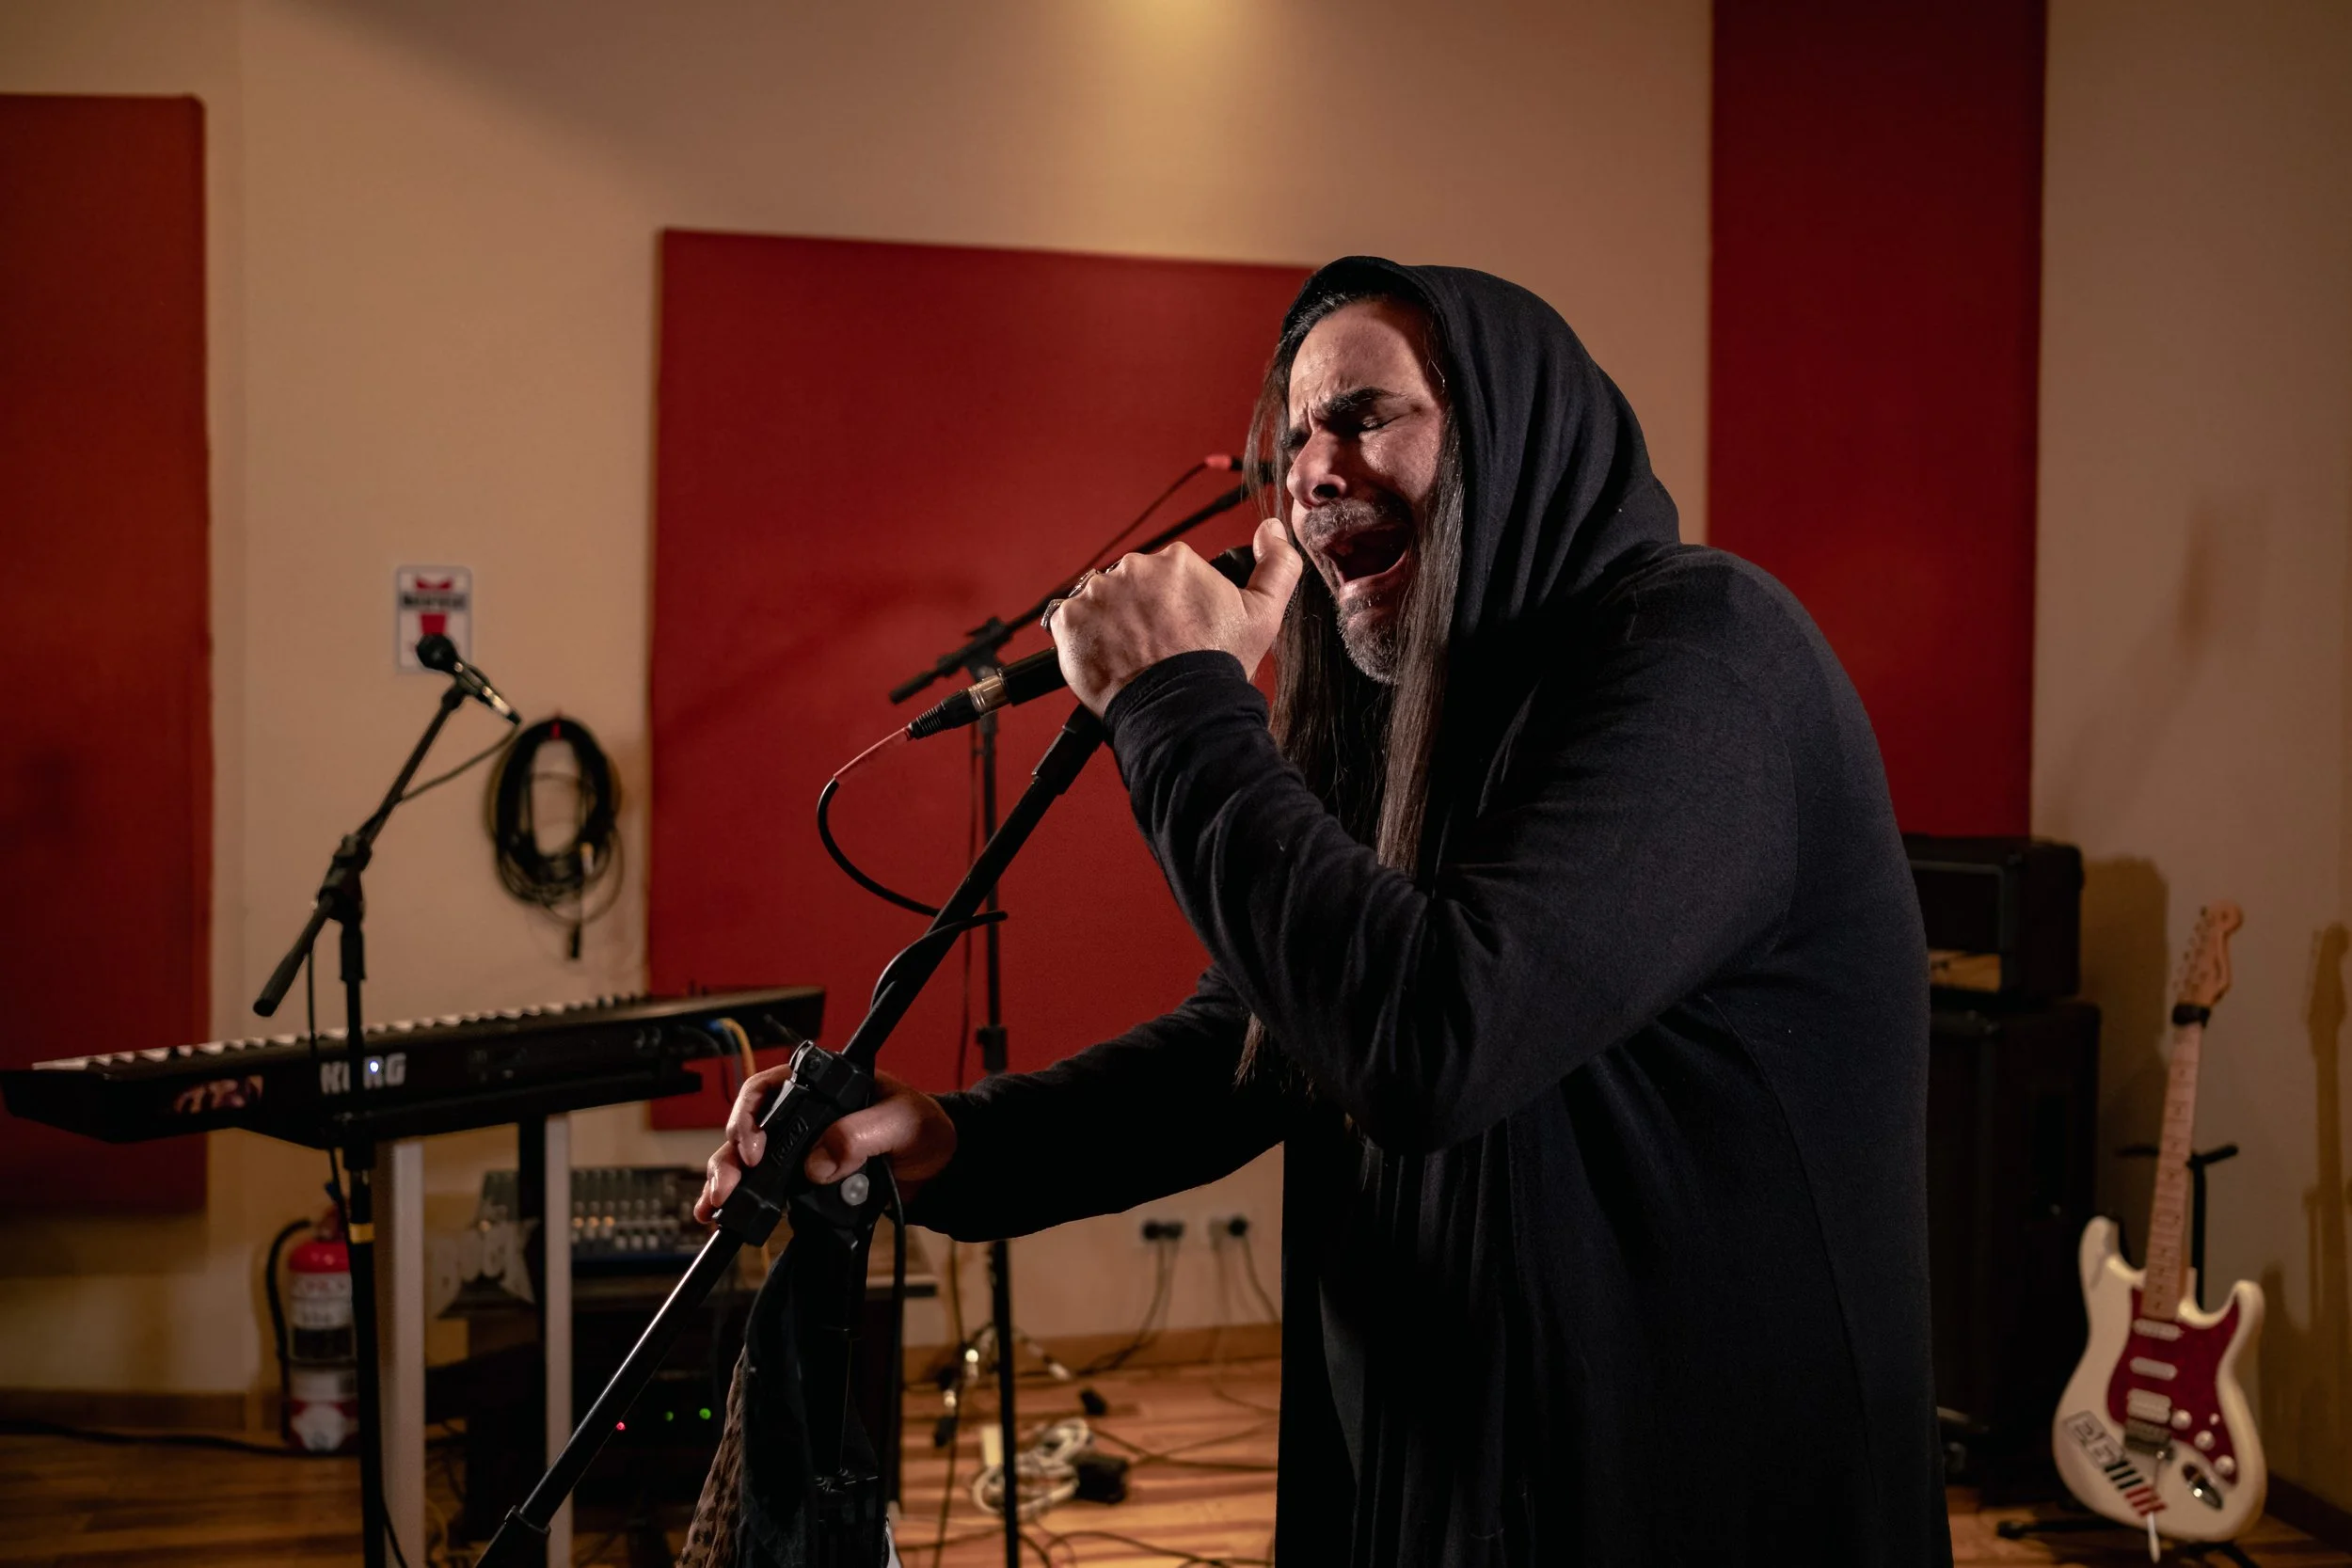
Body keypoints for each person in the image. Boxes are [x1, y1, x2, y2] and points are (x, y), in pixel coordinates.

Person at [699, 258, 1948, 1565]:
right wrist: (950, 1139)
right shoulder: (1411, 718)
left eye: (1361, 413)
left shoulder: (1708, 656)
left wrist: (1178, 703)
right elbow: (1251, 1051)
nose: (1308, 468)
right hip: (1456, 1474)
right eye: (1290, 437)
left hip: (1689, 1494)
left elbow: (1434, 1040)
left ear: (1507, 436)